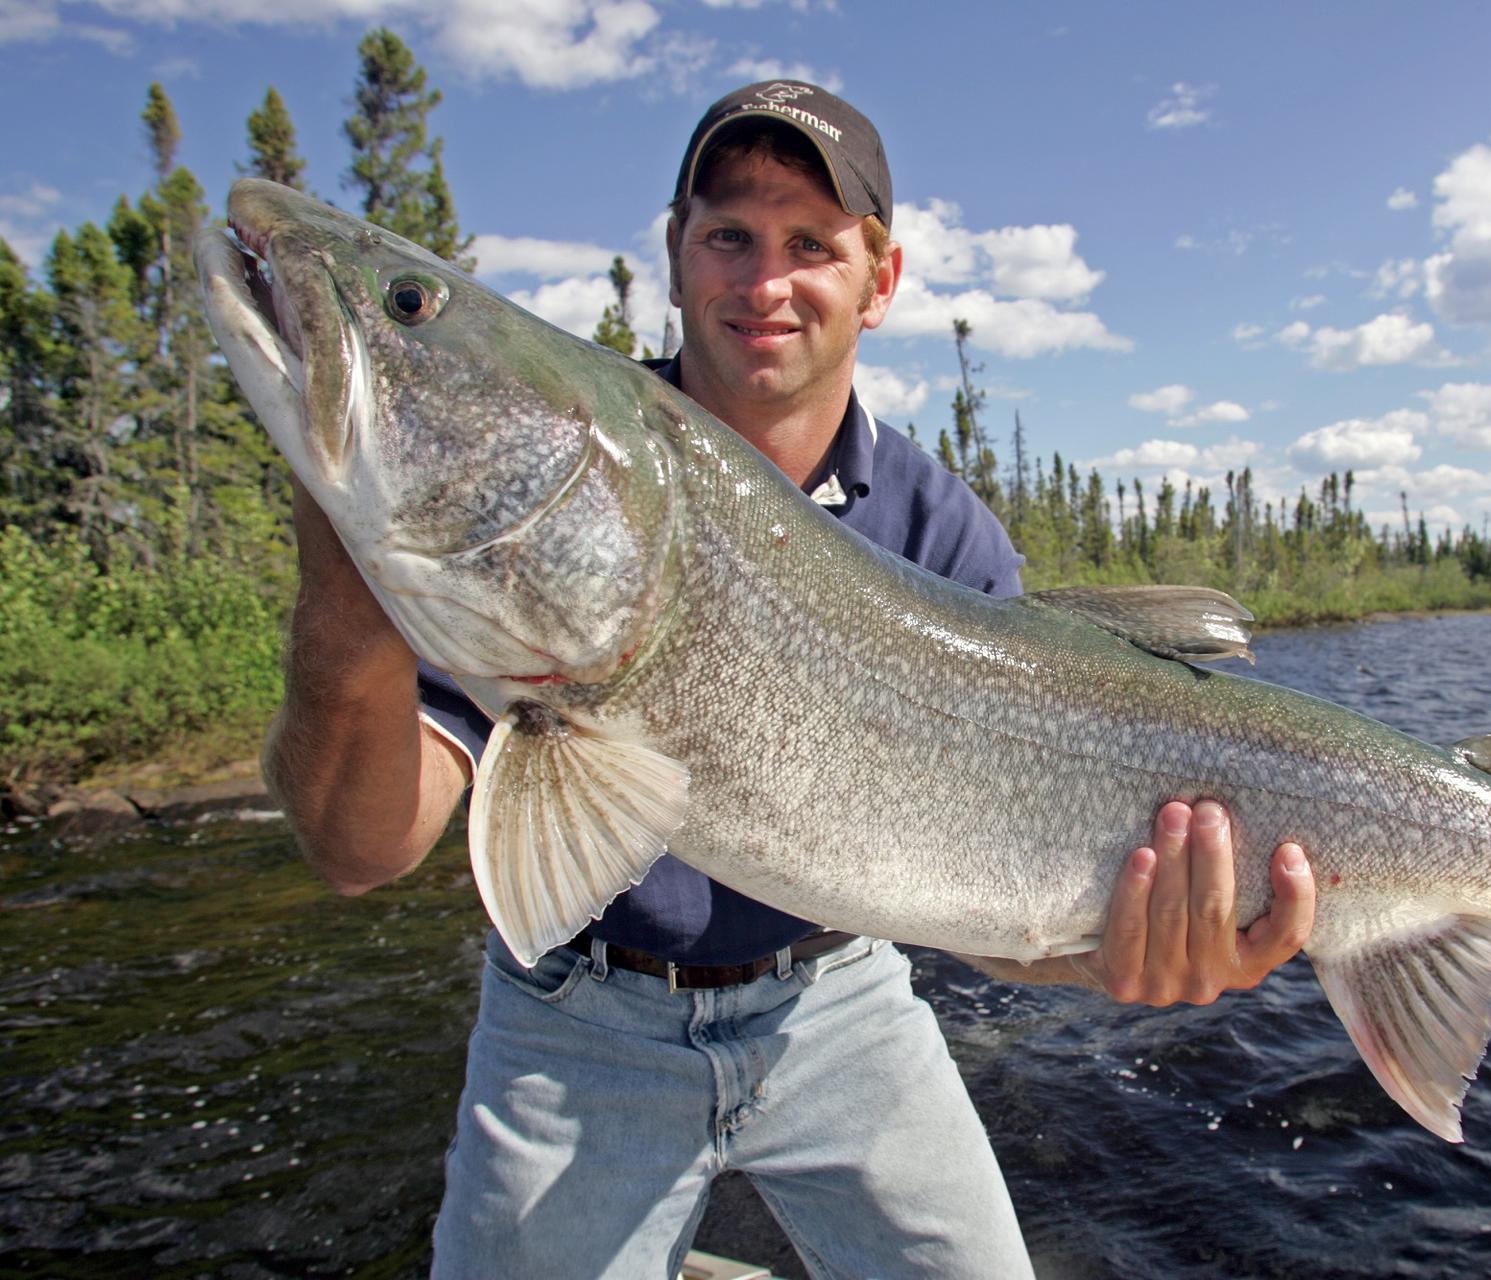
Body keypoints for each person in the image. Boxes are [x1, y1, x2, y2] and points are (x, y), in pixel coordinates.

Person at [263, 80, 1316, 1279]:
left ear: (880, 279)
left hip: (840, 997)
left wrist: (1114, 951)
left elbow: (983, 907)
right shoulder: (562, 478)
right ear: (675, 256)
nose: (764, 282)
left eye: (811, 244)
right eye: (729, 235)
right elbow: (361, 848)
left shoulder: (939, 527)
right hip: (573, 1020)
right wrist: (348, 564)